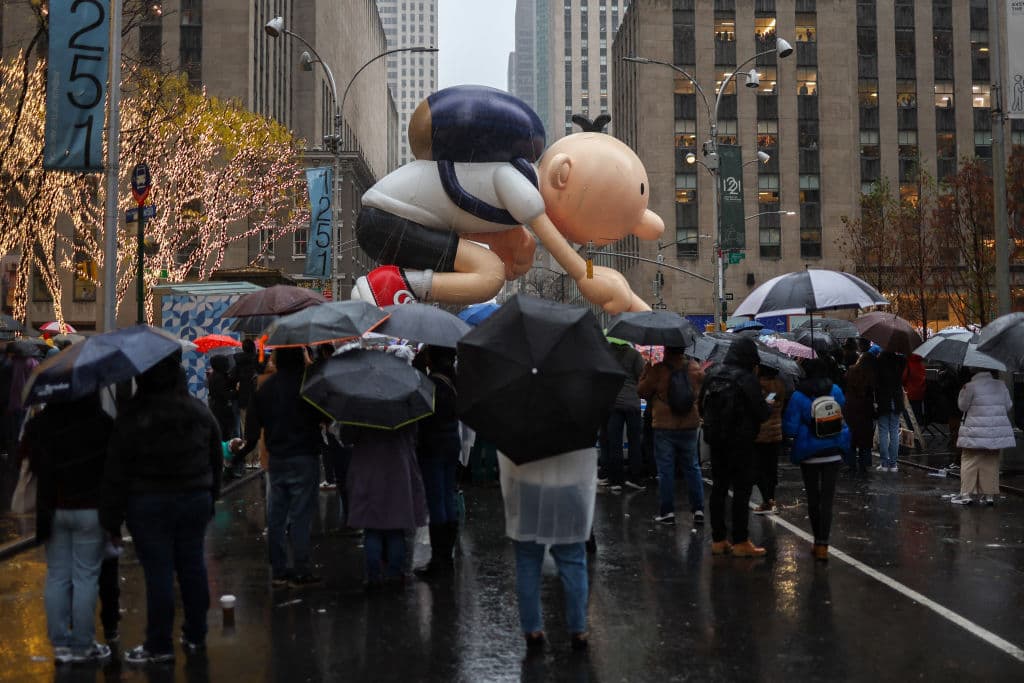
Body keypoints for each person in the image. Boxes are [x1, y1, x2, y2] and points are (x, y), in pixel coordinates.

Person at [101, 351, 222, 665]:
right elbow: (216, 457)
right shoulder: (197, 411)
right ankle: (195, 634)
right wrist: (211, 495)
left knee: (159, 573)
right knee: (193, 566)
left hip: (148, 500)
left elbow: (116, 470)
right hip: (195, 496)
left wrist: (112, 521)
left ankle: (159, 643)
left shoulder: (132, 415)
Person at [21, 392, 114, 664]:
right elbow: (113, 465)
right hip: (90, 508)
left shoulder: (41, 424)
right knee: (85, 576)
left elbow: (25, 461)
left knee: (58, 575)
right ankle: (83, 644)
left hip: (52, 507)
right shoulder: (100, 422)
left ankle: (60, 644)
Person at [233, 347, 324, 588]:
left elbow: (251, 435)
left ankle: (280, 571)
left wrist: (239, 456)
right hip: (305, 456)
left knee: (276, 516)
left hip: (278, 459)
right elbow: (324, 418)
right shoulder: (308, 388)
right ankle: (302, 569)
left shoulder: (264, 391)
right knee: (301, 516)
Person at [499, 448, 595, 652]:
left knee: (527, 560)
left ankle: (532, 629)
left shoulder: (514, 416)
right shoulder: (576, 416)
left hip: (526, 483)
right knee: (572, 559)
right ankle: (578, 629)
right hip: (568, 483)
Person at [699, 337, 772, 556]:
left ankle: (718, 539)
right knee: (742, 491)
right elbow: (761, 413)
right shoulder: (746, 378)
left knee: (719, 488)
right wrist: (766, 404)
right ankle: (741, 541)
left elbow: (701, 405)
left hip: (716, 440)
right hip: (741, 442)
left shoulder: (712, 374)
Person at [346, 422, 428, 590]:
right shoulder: (403, 405)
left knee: (372, 528)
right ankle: (394, 574)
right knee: (396, 527)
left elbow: (347, 436)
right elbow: (414, 434)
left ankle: (373, 576)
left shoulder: (361, 405)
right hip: (398, 469)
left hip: (368, 469)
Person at [782, 359, 850, 561]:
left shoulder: (798, 395)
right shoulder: (835, 390)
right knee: (827, 499)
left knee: (813, 497)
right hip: (833, 449)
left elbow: (791, 428)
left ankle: (816, 540)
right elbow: (842, 411)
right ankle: (823, 544)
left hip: (808, 453)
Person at [637, 346, 705, 525]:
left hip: (664, 426)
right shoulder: (694, 367)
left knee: (665, 469)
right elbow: (701, 391)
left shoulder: (657, 368)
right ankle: (698, 509)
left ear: (666, 348)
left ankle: (667, 512)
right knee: (692, 467)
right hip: (690, 424)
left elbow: (642, 391)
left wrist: (646, 371)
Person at [414, 346, 462, 578]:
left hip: (432, 448)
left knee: (437, 501)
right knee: (448, 497)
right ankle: (447, 557)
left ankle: (439, 559)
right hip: (451, 445)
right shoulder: (452, 383)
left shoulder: (430, 385)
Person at [951, 369, 1015, 505]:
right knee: (991, 462)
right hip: (995, 432)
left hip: (974, 431)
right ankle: (989, 495)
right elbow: (1008, 406)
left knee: (969, 460)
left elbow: (962, 406)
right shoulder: (1001, 385)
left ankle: (966, 495)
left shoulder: (970, 386)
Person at [603, 340, 646, 492]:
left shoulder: (606, 355)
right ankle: (635, 478)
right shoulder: (634, 354)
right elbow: (641, 375)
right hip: (632, 404)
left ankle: (616, 480)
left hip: (614, 403)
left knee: (615, 443)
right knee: (634, 441)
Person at [752, 366, 787, 514]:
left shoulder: (764, 387)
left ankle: (767, 501)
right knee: (771, 468)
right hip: (776, 432)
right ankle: (770, 499)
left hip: (761, 434)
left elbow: (763, 408)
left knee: (759, 468)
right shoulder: (780, 385)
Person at [844, 349, 878, 473]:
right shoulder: (871, 375)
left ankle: (851, 463)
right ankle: (865, 463)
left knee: (852, 436)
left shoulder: (851, 371)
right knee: (866, 437)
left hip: (851, 407)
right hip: (865, 408)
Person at [874, 351, 906, 472]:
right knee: (894, 431)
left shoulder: (879, 362)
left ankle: (884, 463)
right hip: (896, 400)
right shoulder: (900, 361)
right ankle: (893, 464)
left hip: (883, 400)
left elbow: (876, 382)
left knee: (883, 431)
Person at [903, 353, 927, 428]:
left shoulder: (908, 363)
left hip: (909, 394)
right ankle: (916, 435)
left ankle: (910, 436)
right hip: (919, 393)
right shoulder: (921, 363)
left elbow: (903, 378)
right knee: (916, 418)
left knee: (908, 417)